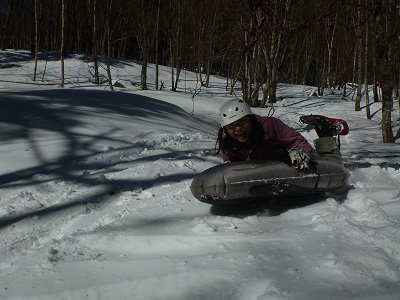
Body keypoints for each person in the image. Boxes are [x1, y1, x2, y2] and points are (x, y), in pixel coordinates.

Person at [215, 99, 345, 169]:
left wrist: (299, 152)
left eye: (242, 122)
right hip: (273, 169)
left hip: (295, 159)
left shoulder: (269, 125)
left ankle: (326, 133)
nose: (238, 129)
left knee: (334, 167)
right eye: (231, 126)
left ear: (250, 119)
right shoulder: (228, 146)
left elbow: (296, 140)